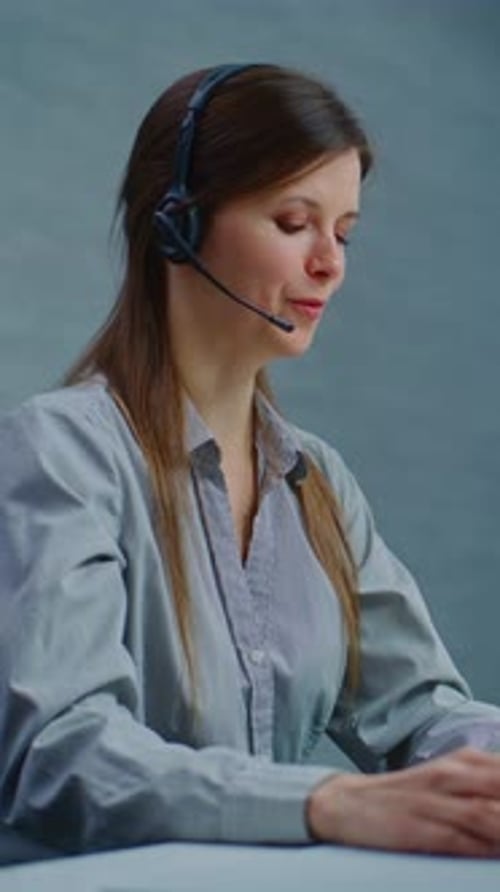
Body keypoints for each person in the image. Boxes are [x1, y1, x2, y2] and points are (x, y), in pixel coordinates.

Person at [1, 62, 500, 860]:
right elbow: (66, 758)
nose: (330, 265)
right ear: (177, 225)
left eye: (343, 233)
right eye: (295, 221)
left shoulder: (318, 483)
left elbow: (424, 713)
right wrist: (329, 800)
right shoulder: (62, 456)